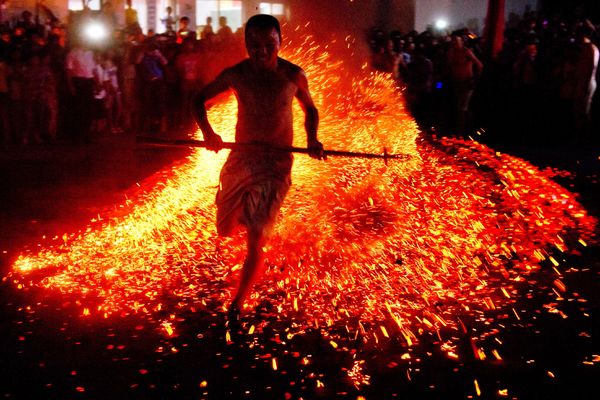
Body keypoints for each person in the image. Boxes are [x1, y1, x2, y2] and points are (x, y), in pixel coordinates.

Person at [192, 14, 324, 322]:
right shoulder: (236, 75)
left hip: (275, 166)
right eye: (254, 44)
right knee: (224, 228)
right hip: (241, 160)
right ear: (246, 44)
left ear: (280, 43)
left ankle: (238, 302)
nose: (261, 51)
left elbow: (311, 108)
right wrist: (208, 133)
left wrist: (313, 138)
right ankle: (245, 210)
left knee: (256, 234)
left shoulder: (293, 75)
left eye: (268, 44)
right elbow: (198, 100)